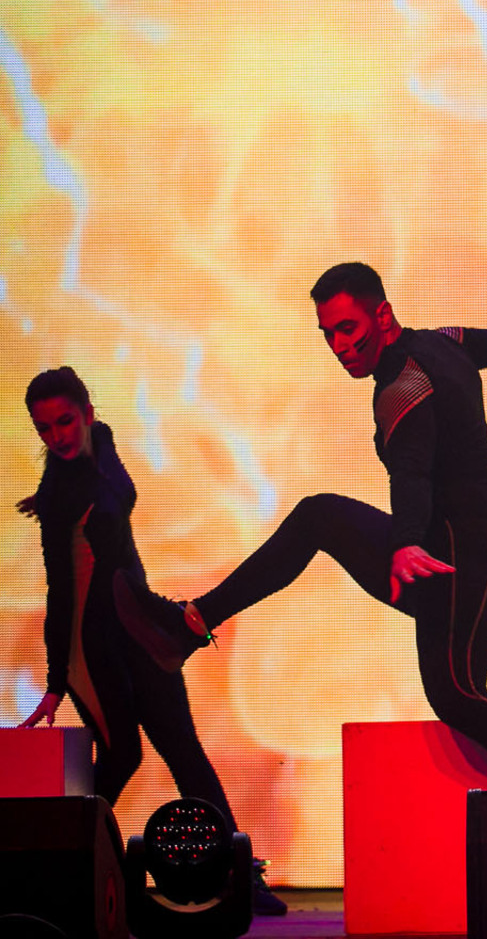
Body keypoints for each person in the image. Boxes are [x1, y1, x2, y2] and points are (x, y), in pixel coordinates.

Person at [116, 263, 487, 789]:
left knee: (458, 695)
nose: (339, 346)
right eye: (328, 334)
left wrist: (405, 543)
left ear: (382, 315)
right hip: (465, 554)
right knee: (321, 519)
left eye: (347, 329)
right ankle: (189, 625)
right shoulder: (445, 341)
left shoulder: (403, 387)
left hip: (459, 558)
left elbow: (412, 473)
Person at [18, 367, 286, 915]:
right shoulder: (59, 498)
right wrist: (54, 681)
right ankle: (62, 869)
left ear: (87, 413)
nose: (57, 436)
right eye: (44, 428)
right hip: (91, 647)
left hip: (136, 632)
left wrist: (164, 620)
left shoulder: (104, 443)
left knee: (184, 750)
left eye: (65, 421)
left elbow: (119, 539)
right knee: (122, 757)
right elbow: (60, 593)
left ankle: (235, 874)